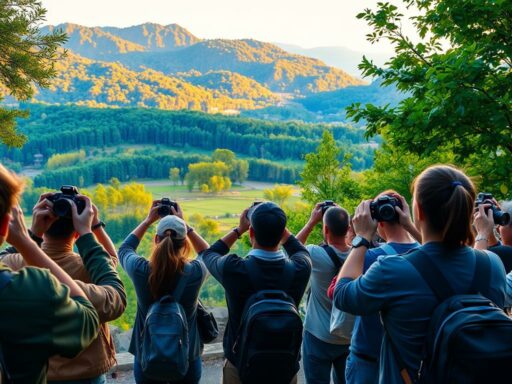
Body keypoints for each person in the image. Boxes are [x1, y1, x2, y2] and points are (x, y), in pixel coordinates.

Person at [334, 165, 506, 384]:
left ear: (419, 211)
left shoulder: (392, 270)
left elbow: (342, 294)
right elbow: (437, 259)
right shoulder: (493, 265)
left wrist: (362, 238)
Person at [1, 192, 126, 384]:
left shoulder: (12, 265)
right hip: (85, 373)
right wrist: (91, 229)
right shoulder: (89, 267)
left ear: (44, 224)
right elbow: (111, 276)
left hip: (36, 373)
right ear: (75, 233)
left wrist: (32, 234)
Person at [202, 202, 311, 384]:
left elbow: (210, 253)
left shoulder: (234, 269)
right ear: (283, 232)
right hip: (284, 367)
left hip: (240, 367)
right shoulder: (300, 268)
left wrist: (239, 229)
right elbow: (299, 249)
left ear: (251, 233)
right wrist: (278, 227)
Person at [119, 201, 209, 384]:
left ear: (156, 240)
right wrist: (185, 225)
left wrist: (147, 221)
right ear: (184, 243)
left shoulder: (140, 270)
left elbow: (124, 249)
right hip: (187, 355)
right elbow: (209, 254)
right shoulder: (194, 273)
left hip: (147, 355)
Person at [341, 191, 419, 384]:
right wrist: (411, 225)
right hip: (408, 361)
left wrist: (362, 236)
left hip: (369, 356)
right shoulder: (425, 254)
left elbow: (341, 292)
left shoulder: (369, 258)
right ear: (404, 214)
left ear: (378, 221)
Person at [296, 204, 351, 384]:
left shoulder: (316, 254)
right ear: (349, 228)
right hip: (348, 336)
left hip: (318, 335)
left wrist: (312, 221)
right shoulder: (360, 256)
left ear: (325, 228)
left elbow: (292, 249)